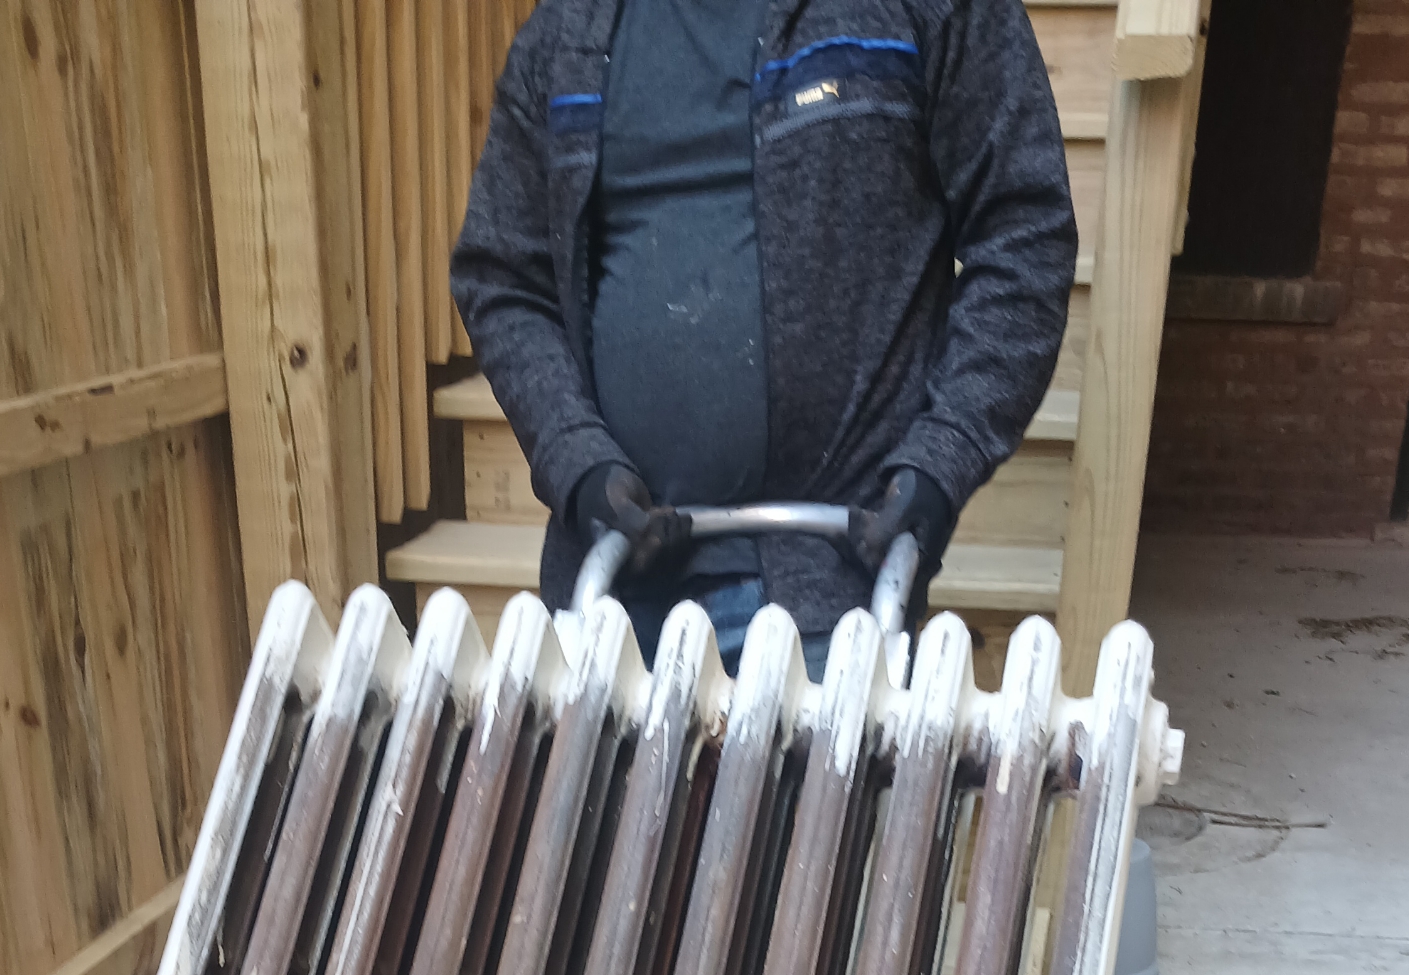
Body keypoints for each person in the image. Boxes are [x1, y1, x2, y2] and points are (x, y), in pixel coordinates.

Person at [452, 0, 1077, 678]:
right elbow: (504, 277)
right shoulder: (566, 31)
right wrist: (575, 459)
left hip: (829, 598)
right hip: (614, 599)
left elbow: (1023, 234)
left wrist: (945, 452)